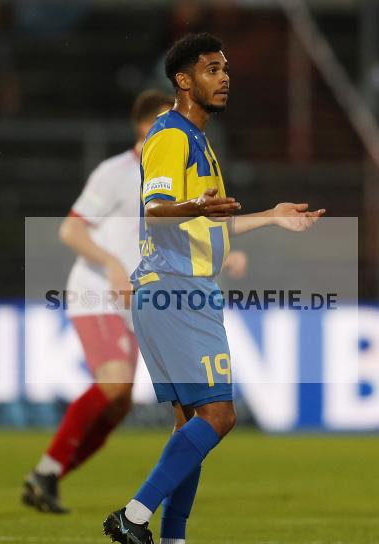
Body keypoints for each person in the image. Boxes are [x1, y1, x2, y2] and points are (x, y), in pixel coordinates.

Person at [101, 33, 324, 544]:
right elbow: (158, 211)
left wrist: (270, 216)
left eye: (226, 69)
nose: (224, 77)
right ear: (183, 80)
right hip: (177, 289)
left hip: (171, 289)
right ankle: (133, 516)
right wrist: (193, 206)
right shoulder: (170, 136)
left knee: (190, 425)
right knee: (220, 416)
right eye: (211, 68)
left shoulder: (198, 141)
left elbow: (204, 218)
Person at [21, 89, 247, 513]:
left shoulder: (173, 169)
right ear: (146, 125)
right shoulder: (116, 172)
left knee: (122, 403)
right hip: (98, 293)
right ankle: (48, 472)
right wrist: (109, 264)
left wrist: (221, 249)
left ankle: (48, 476)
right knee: (114, 385)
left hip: (142, 294)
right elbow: (70, 231)